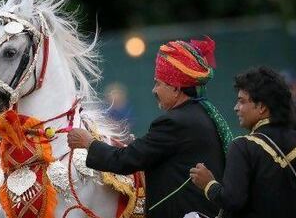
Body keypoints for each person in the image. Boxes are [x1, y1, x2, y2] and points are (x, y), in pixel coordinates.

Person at [67, 36, 233, 218]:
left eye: (158, 83)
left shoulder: (174, 122)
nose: (154, 90)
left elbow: (125, 160)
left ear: (176, 89)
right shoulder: (203, 114)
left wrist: (89, 143)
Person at [190, 67, 296, 218]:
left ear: (262, 107)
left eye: (242, 102)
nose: (236, 108)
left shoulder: (243, 146)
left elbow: (232, 201)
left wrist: (209, 184)